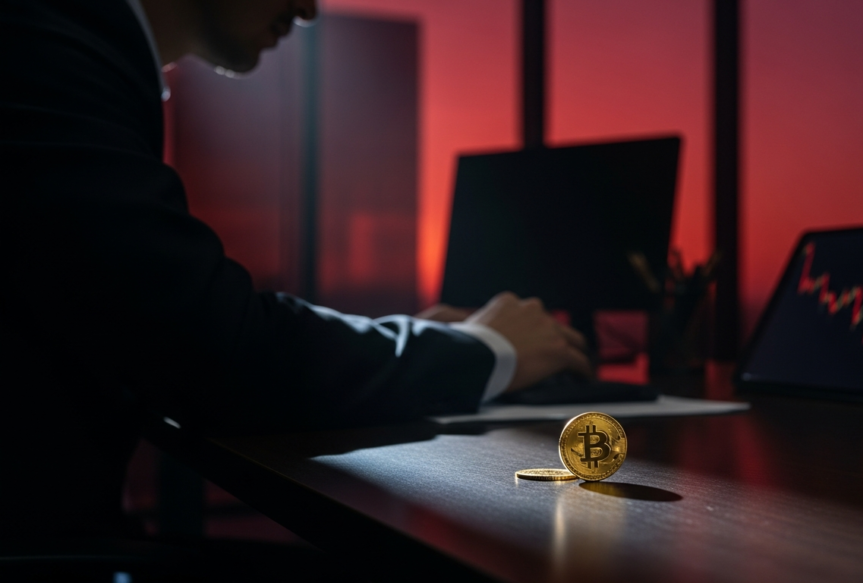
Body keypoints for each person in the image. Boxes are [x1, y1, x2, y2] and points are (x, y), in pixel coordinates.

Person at [0, 0, 590, 541]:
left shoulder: (72, 50)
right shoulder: (41, 44)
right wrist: (485, 351)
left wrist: (435, 340)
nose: (309, 10)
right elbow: (219, 349)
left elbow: (161, 320)